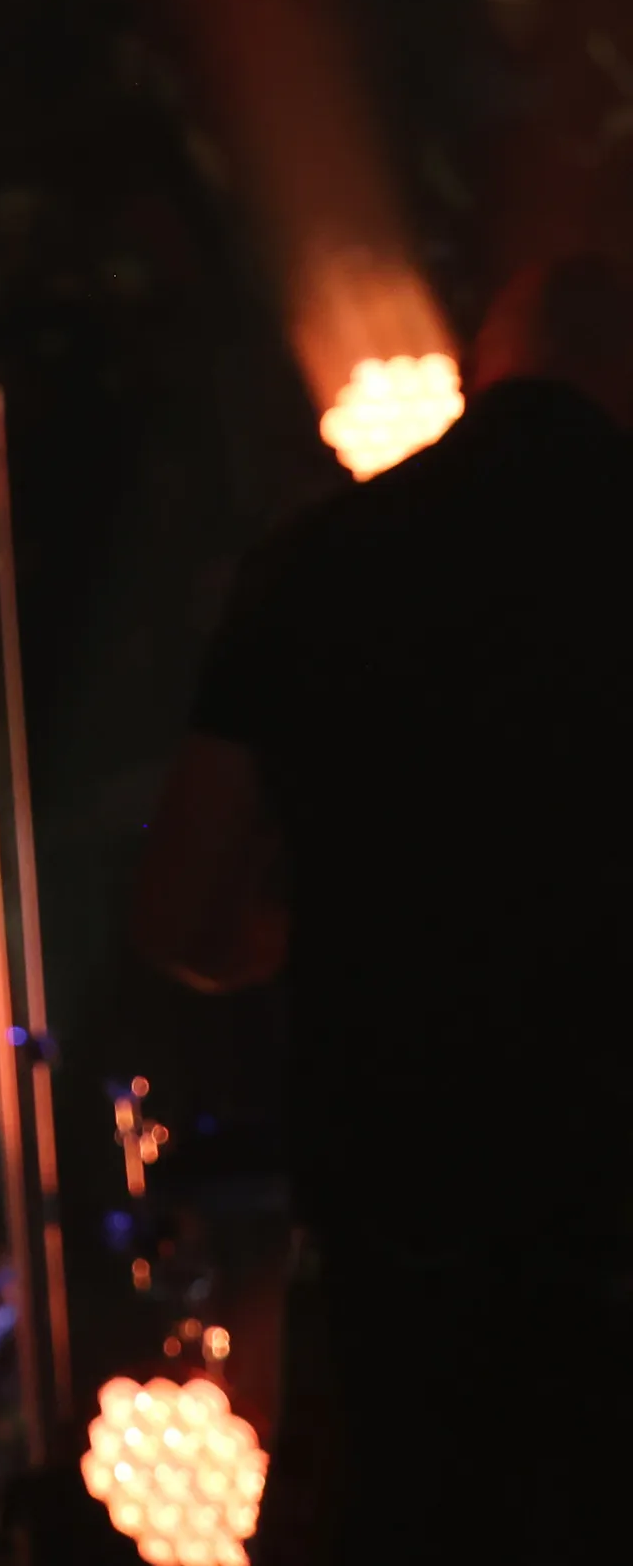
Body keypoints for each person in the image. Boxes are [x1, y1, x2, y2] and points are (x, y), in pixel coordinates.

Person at [131, 253, 633, 1562]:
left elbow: (181, 909)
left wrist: (334, 919)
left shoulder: (317, 559)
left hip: (402, 1259)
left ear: (491, 358)